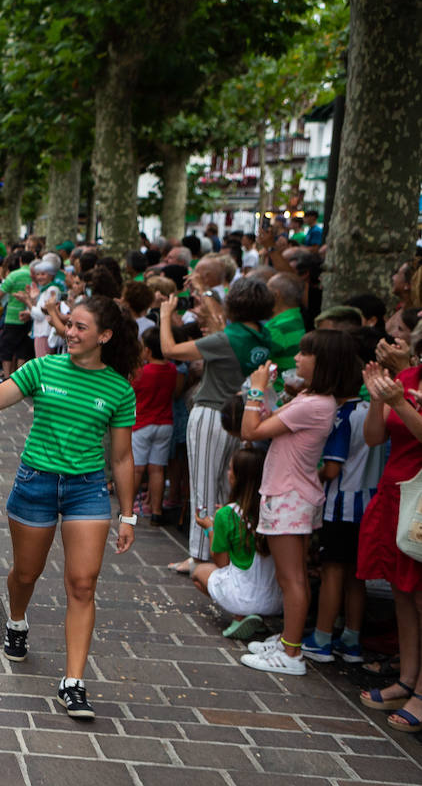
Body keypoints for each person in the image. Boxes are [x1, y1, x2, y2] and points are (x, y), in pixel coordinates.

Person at [0, 294, 139, 718]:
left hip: (87, 491)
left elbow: (121, 457)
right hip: (36, 482)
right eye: (68, 323)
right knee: (26, 573)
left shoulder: (118, 388)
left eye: (80, 327)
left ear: (105, 335)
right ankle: (17, 621)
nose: (69, 331)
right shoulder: (43, 368)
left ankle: (74, 682)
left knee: (83, 584)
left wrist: (129, 514)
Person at [238, 330, 361, 675]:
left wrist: (256, 389)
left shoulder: (313, 404)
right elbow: (273, 420)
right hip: (295, 492)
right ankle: (289, 640)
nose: (298, 358)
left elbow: (251, 430)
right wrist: (270, 393)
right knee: (294, 577)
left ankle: (291, 653)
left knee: (291, 578)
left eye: (306, 353)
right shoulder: (314, 399)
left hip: (289, 495)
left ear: (322, 363)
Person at [159, 277, 275, 573]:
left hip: (211, 414)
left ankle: (200, 556)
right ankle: (227, 551)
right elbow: (224, 322)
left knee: (204, 486)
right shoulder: (263, 337)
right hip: (242, 417)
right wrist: (202, 291)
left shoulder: (224, 340)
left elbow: (171, 350)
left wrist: (163, 315)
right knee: (228, 487)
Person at [301, 369, 386, 664]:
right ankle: (351, 639)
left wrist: (311, 475)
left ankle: (322, 637)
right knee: (355, 576)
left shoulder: (343, 416)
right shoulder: (372, 409)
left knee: (333, 571)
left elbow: (333, 468)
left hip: (341, 505)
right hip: (370, 503)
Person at [356, 358, 422, 731]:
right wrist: (378, 397)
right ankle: (407, 678)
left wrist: (399, 403)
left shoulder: (406, 389)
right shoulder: (407, 378)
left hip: (421, 500)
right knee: (401, 591)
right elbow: (373, 437)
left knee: (420, 596)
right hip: (396, 492)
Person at [191, 446, 281, 638]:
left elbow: (221, 562)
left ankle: (240, 616)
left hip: (243, 596)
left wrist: (210, 528)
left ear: (238, 477)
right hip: (275, 598)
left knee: (198, 573)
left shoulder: (226, 514)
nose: (227, 472)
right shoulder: (274, 510)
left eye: (231, 469)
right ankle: (255, 618)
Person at [132, 327, 179, 524]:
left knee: (137, 469)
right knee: (157, 469)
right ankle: (157, 510)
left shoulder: (142, 372)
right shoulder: (172, 370)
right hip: (165, 423)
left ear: (148, 351)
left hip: (142, 423)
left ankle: (127, 508)